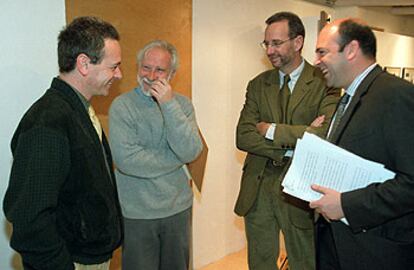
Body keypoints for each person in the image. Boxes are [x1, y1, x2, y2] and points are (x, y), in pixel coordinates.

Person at [3, 16, 123, 270]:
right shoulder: (47, 122)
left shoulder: (78, 110)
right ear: (84, 64)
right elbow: (29, 217)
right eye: (113, 67)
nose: (119, 74)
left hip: (91, 256)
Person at [235, 12, 340, 270]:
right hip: (258, 187)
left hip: (302, 189)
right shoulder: (258, 85)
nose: (270, 50)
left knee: (305, 261)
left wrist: (270, 130)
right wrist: (290, 148)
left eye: (277, 43)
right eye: (266, 43)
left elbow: (325, 134)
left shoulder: (325, 82)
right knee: (260, 263)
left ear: (297, 42)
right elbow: (244, 136)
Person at [309, 18, 414, 270]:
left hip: (376, 251)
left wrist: (346, 205)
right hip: (338, 244)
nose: (316, 61)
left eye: (322, 52)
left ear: (352, 49)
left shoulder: (395, 96)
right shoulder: (348, 97)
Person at [109, 40, 203, 270]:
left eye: (159, 70)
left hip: (178, 209)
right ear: (138, 67)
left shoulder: (182, 105)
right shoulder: (122, 106)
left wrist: (168, 105)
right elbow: (127, 161)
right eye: (145, 67)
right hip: (137, 213)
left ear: (171, 74)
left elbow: (192, 150)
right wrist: (176, 157)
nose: (150, 76)